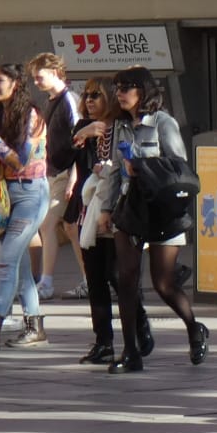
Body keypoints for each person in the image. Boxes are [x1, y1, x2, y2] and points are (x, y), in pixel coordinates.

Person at [95, 68, 208, 371]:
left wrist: (143, 167)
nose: (119, 93)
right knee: (125, 278)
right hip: (130, 208)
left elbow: (179, 166)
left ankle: (194, 328)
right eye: (117, 87)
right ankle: (131, 352)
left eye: (127, 87)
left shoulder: (162, 122)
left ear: (143, 91)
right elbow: (111, 170)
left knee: (163, 283)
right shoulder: (119, 126)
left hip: (162, 208)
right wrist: (105, 209)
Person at [0, 64, 51, 349]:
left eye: (0, 81)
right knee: (21, 266)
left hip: (31, 194)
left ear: (16, 83)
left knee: (8, 260)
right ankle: (34, 326)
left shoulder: (31, 115)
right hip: (4, 193)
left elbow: (20, 161)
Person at [70, 78, 150, 366]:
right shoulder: (83, 127)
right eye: (87, 95)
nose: (90, 100)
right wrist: (84, 135)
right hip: (88, 208)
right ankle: (103, 341)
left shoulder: (121, 126)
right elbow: (58, 157)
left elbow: (122, 167)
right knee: (94, 277)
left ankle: (139, 323)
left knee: (117, 274)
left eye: (97, 95)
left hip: (117, 207)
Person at [30, 53, 85, 299]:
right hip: (55, 172)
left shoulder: (69, 101)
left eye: (39, 77)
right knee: (70, 228)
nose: (36, 82)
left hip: (66, 172)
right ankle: (87, 280)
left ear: (54, 72)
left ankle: (47, 282)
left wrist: (74, 175)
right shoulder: (53, 100)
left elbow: (81, 138)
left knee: (50, 224)